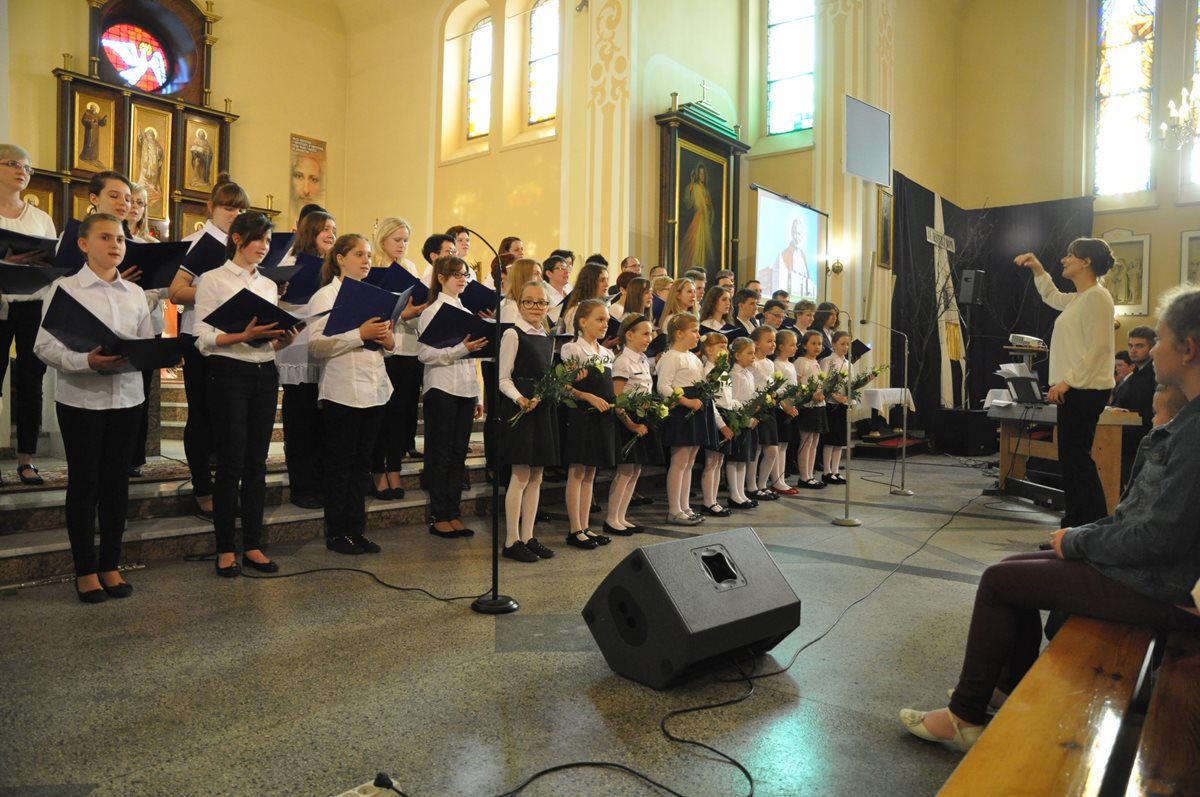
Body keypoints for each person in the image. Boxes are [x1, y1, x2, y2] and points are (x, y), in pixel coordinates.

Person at [900, 284, 1200, 753]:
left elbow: (1160, 538)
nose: (1153, 348)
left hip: (1162, 587)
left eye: (1159, 339)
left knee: (999, 581)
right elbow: (1137, 517)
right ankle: (1007, 689)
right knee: (1012, 570)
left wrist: (1078, 543)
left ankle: (963, 716)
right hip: (1154, 574)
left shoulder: (1194, 433)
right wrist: (1080, 534)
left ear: (1188, 348)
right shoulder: (1187, 423)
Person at [33, 213, 149, 602]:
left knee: (117, 483)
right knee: (85, 483)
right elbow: (43, 347)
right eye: (106, 237)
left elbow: (145, 344)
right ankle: (85, 570)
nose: (116, 245)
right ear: (83, 244)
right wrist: (87, 361)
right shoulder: (64, 289)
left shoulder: (135, 293)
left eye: (120, 239)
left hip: (128, 398)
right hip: (81, 399)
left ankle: (110, 565)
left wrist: (159, 353)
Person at [193, 212, 297, 577]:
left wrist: (283, 338)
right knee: (231, 463)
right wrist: (241, 335)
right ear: (237, 239)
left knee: (256, 463)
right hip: (229, 374)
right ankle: (225, 548)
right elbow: (201, 338)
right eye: (259, 239)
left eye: (268, 241)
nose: (264, 247)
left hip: (264, 373)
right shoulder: (213, 279)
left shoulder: (268, 284)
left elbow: (268, 337)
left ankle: (252, 544)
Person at [1015, 240, 1116, 527]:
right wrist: (1038, 270)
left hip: (1084, 389)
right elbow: (1052, 296)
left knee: (1077, 460)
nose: (1064, 259)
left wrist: (1066, 383)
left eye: (1071, 255)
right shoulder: (1080, 298)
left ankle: (1091, 527)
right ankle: (1074, 526)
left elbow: (1099, 348)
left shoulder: (1098, 297)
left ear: (1086, 262)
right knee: (1071, 461)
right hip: (1076, 389)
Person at [307, 234, 396, 555]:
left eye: (369, 255)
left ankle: (356, 530)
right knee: (340, 465)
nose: (366, 261)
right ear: (340, 258)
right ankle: (337, 533)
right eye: (359, 254)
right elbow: (315, 347)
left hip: (375, 388)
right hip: (343, 390)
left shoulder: (375, 297)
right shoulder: (325, 296)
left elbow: (388, 345)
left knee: (362, 466)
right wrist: (359, 334)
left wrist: (387, 340)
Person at [168, 174, 249, 519]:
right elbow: (176, 292)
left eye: (241, 209)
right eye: (229, 208)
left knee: (229, 416)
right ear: (211, 207)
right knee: (201, 414)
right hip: (199, 337)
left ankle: (226, 487)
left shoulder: (244, 245)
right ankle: (202, 487)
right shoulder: (198, 243)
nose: (235, 214)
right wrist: (217, 291)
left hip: (235, 338)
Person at [418, 255, 489, 539]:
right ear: (441, 278)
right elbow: (425, 354)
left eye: (465, 275)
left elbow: (474, 358)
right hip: (442, 389)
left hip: (464, 389)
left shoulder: (466, 310)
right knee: (441, 454)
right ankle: (439, 515)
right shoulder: (432, 311)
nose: (463, 279)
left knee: (459, 455)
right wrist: (461, 349)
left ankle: (453, 512)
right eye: (457, 274)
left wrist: (477, 395)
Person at [0, 144, 57, 487]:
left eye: (27, 168)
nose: (22, 171)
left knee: (31, 383)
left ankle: (26, 461)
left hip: (32, 304)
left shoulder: (40, 218)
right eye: (13, 164)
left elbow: (52, 262)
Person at [277, 210, 338, 510]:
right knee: (300, 423)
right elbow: (275, 300)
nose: (330, 235)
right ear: (309, 231)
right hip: (298, 348)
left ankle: (323, 482)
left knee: (322, 425)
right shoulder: (289, 262)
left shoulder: (335, 268)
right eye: (324, 229)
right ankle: (302, 486)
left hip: (326, 351)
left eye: (334, 230)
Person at [496, 280, 559, 562]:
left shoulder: (546, 336)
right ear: (520, 305)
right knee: (520, 475)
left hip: (541, 408)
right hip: (520, 408)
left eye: (541, 302)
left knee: (537, 476)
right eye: (529, 301)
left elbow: (547, 375)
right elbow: (503, 378)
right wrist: (520, 398)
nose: (536, 307)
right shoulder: (513, 334)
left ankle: (529, 536)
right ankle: (512, 540)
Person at [370, 217, 426, 498]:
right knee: (382, 413)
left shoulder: (410, 268)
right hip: (382, 350)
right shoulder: (372, 267)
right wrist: (403, 314)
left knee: (401, 414)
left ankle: (394, 469)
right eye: (397, 240)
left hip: (409, 349)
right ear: (383, 239)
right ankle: (377, 471)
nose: (403, 245)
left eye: (405, 240)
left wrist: (418, 310)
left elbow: (413, 308)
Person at [559, 298, 617, 548]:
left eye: (607, 320)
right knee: (577, 470)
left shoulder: (607, 353)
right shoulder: (572, 349)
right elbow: (563, 386)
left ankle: (585, 526)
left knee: (590, 472)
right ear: (582, 322)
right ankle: (575, 529)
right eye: (599, 319)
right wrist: (586, 395)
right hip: (581, 415)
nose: (605, 325)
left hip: (601, 416)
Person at [657, 313, 717, 525]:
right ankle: (674, 510)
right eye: (694, 331)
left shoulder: (693, 358)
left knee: (689, 462)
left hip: (696, 409)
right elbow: (663, 387)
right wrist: (687, 401)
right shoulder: (671, 356)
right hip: (681, 412)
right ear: (679, 333)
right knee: (679, 461)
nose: (698, 335)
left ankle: (685, 507)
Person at [608, 313, 660, 535]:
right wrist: (630, 424)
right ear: (629, 335)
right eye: (645, 334)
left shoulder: (642, 359)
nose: (650, 338)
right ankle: (611, 518)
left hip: (641, 419)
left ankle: (622, 516)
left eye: (651, 334)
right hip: (627, 420)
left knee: (635, 470)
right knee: (625, 471)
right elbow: (617, 398)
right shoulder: (623, 361)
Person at [1111, 325, 1157, 487]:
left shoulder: (1156, 374)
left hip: (1142, 442)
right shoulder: (1134, 375)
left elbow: (1156, 409)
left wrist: (1127, 413)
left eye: (1139, 346)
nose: (1133, 350)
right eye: (1130, 345)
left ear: (1152, 347)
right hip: (1123, 439)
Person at [699, 332, 735, 516]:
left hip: (726, 415)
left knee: (718, 462)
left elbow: (728, 398)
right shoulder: (708, 373)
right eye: (721, 347)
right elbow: (712, 403)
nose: (725, 350)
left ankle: (713, 500)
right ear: (709, 350)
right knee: (711, 461)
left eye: (726, 347)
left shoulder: (723, 371)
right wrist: (722, 425)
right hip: (715, 418)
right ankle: (708, 502)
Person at [726, 336, 761, 509]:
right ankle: (734, 494)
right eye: (749, 353)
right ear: (737, 355)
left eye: (754, 353)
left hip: (748, 419)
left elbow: (750, 397)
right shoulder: (734, 375)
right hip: (738, 421)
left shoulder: (748, 373)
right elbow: (732, 401)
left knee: (744, 459)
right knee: (735, 459)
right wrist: (745, 417)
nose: (753, 356)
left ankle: (741, 493)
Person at [794, 330, 829, 489]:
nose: (817, 347)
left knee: (814, 442)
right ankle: (804, 477)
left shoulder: (816, 362)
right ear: (804, 345)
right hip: (807, 407)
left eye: (819, 344)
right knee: (806, 442)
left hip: (818, 406)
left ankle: (810, 475)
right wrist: (810, 395)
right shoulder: (801, 362)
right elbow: (796, 387)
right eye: (813, 343)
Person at [768, 328, 801, 495]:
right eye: (792, 345)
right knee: (779, 445)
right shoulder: (776, 364)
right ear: (781, 347)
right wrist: (785, 405)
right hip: (781, 409)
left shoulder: (790, 364)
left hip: (791, 408)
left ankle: (781, 479)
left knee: (784, 446)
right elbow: (776, 389)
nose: (795, 348)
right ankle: (776, 480)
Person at [820, 331, 854, 485]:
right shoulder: (828, 361)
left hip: (843, 404)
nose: (845, 347)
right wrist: (834, 396)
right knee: (830, 440)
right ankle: (827, 471)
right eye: (842, 344)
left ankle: (835, 470)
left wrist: (849, 396)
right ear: (833, 344)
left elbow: (851, 384)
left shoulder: (848, 363)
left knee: (840, 440)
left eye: (847, 344)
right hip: (831, 404)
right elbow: (824, 382)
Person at [680, 162, 715, 270]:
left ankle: (701, 266)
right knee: (695, 242)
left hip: (704, 219)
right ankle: (694, 266)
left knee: (703, 245)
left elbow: (710, 206)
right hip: (698, 217)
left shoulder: (706, 190)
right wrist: (691, 184)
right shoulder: (695, 186)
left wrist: (709, 206)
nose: (702, 176)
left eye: (703, 174)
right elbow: (689, 202)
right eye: (700, 174)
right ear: (697, 175)